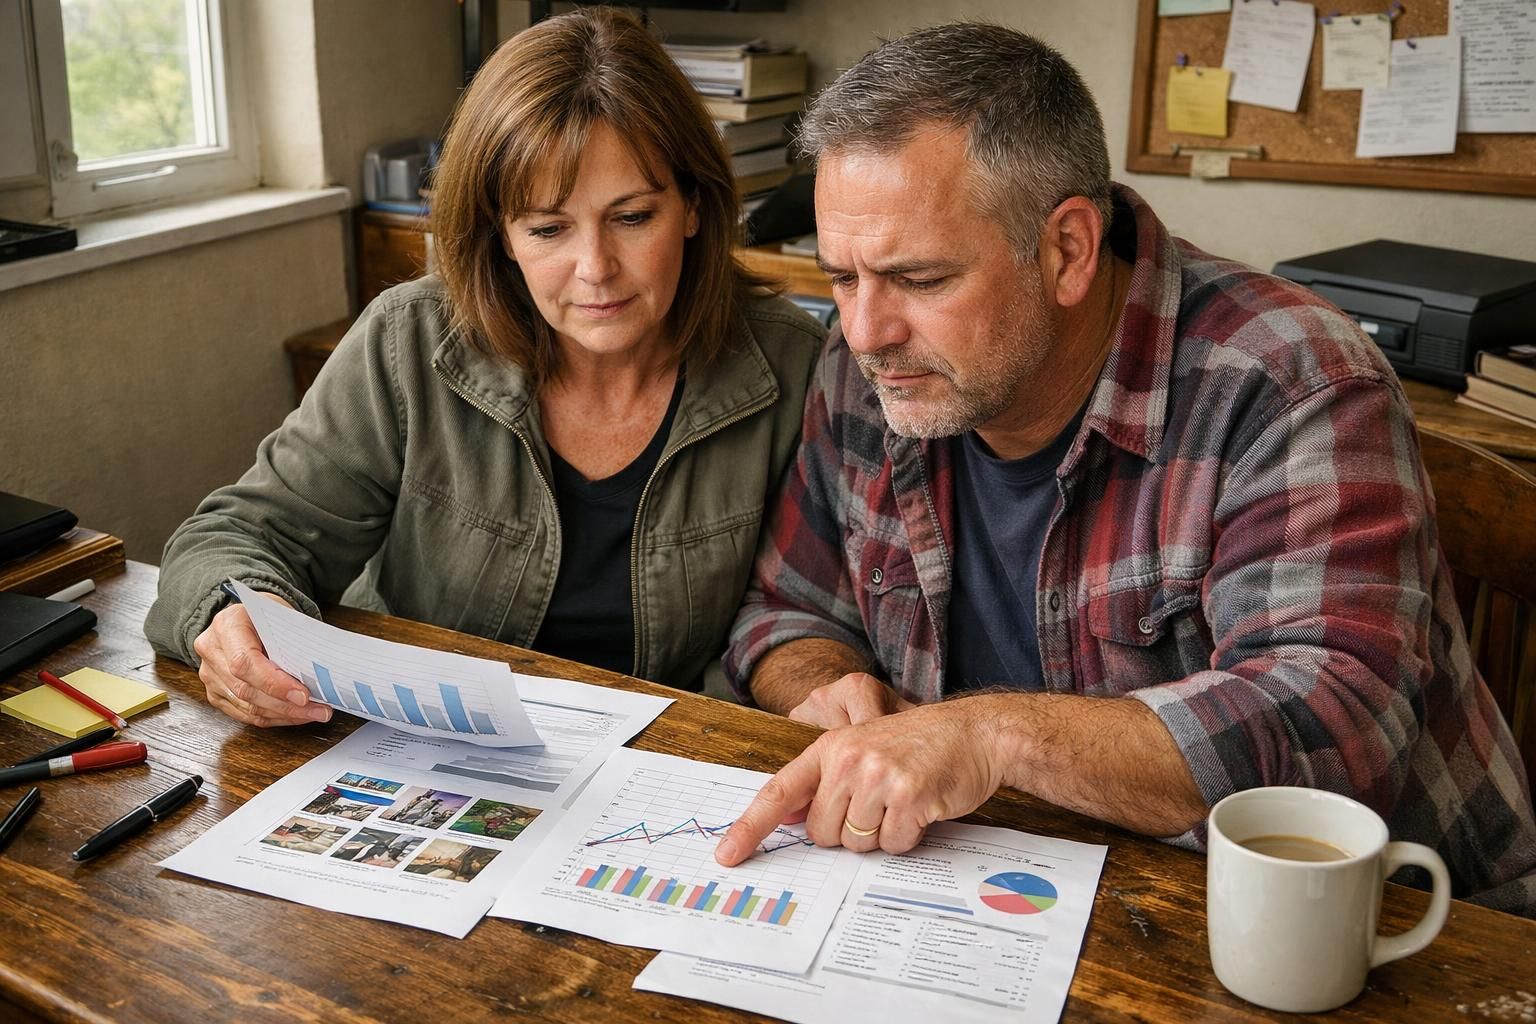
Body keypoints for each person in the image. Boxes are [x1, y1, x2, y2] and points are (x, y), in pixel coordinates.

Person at [714, 23, 1536, 916]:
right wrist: (824, 684)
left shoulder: (1291, 380)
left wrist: (985, 736)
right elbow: (788, 608)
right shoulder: (865, 369)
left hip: (1396, 931)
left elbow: (1332, 721)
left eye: (919, 279)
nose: (868, 331)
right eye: (841, 277)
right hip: (1023, 893)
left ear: (1067, 248)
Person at [144, 8, 822, 725]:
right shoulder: (409, 341)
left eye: (632, 217)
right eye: (548, 228)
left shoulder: (790, 364)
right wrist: (231, 616)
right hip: (425, 752)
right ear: (501, 234)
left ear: (692, 206)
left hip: (664, 771)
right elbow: (238, 534)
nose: (596, 269)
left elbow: (809, 609)